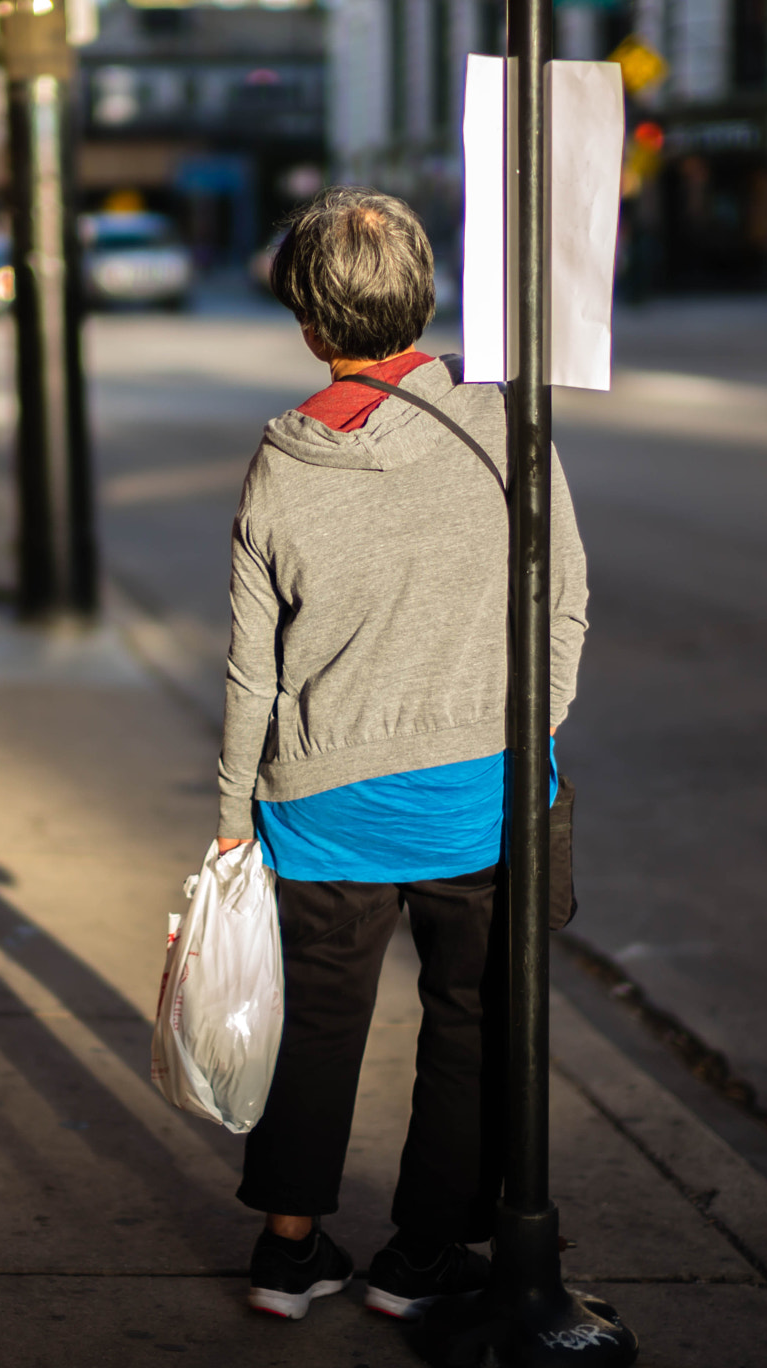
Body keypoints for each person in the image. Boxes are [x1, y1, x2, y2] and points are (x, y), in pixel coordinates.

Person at [218, 187, 588, 1321]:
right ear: (421, 298)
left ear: (306, 319)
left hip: (321, 808)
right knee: (471, 1025)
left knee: (315, 1026)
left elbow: (252, 673)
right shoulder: (503, 423)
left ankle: (289, 1255)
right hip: (479, 801)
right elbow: (562, 605)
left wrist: (233, 822)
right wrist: (521, 738)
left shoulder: (282, 464)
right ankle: (422, 1258)